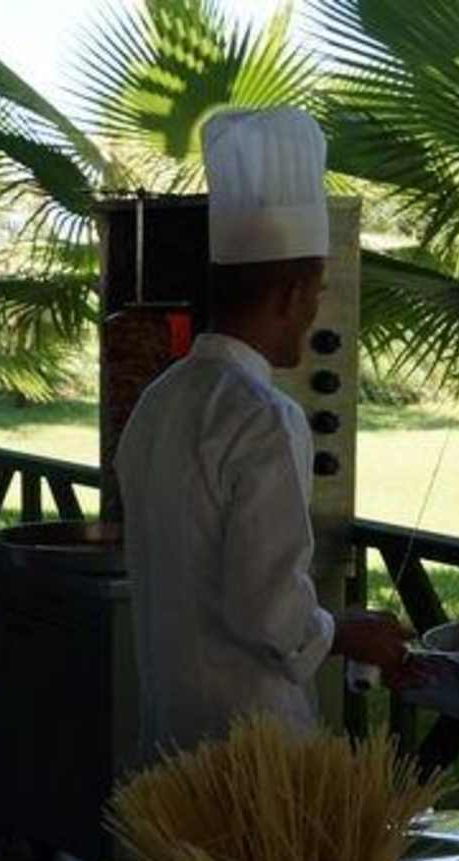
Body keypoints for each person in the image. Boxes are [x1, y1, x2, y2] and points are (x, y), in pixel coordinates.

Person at [116, 107, 409, 758]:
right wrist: (348, 633)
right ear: (289, 294)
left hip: (171, 726)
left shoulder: (160, 400)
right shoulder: (263, 417)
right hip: (247, 739)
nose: (313, 313)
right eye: (316, 294)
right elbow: (267, 609)